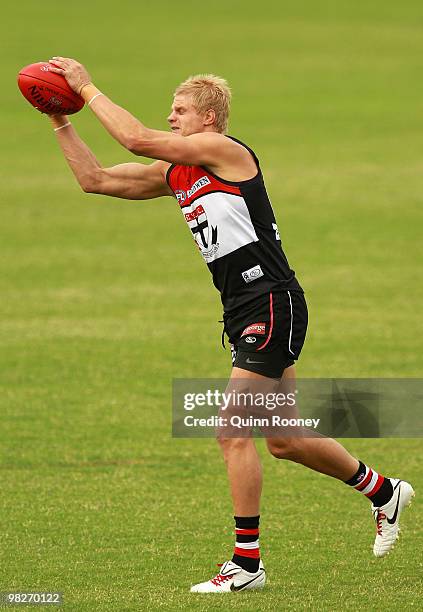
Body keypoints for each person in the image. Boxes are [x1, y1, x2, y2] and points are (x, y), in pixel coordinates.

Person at [46, 57, 414, 593]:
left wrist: (85, 86)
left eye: (180, 110)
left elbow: (134, 139)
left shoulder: (227, 151)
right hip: (247, 308)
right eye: (170, 110)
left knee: (230, 430)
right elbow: (96, 179)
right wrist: (59, 117)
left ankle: (246, 565)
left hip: (270, 303)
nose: (171, 118)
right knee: (284, 439)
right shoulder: (179, 173)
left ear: (210, 118)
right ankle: (383, 491)